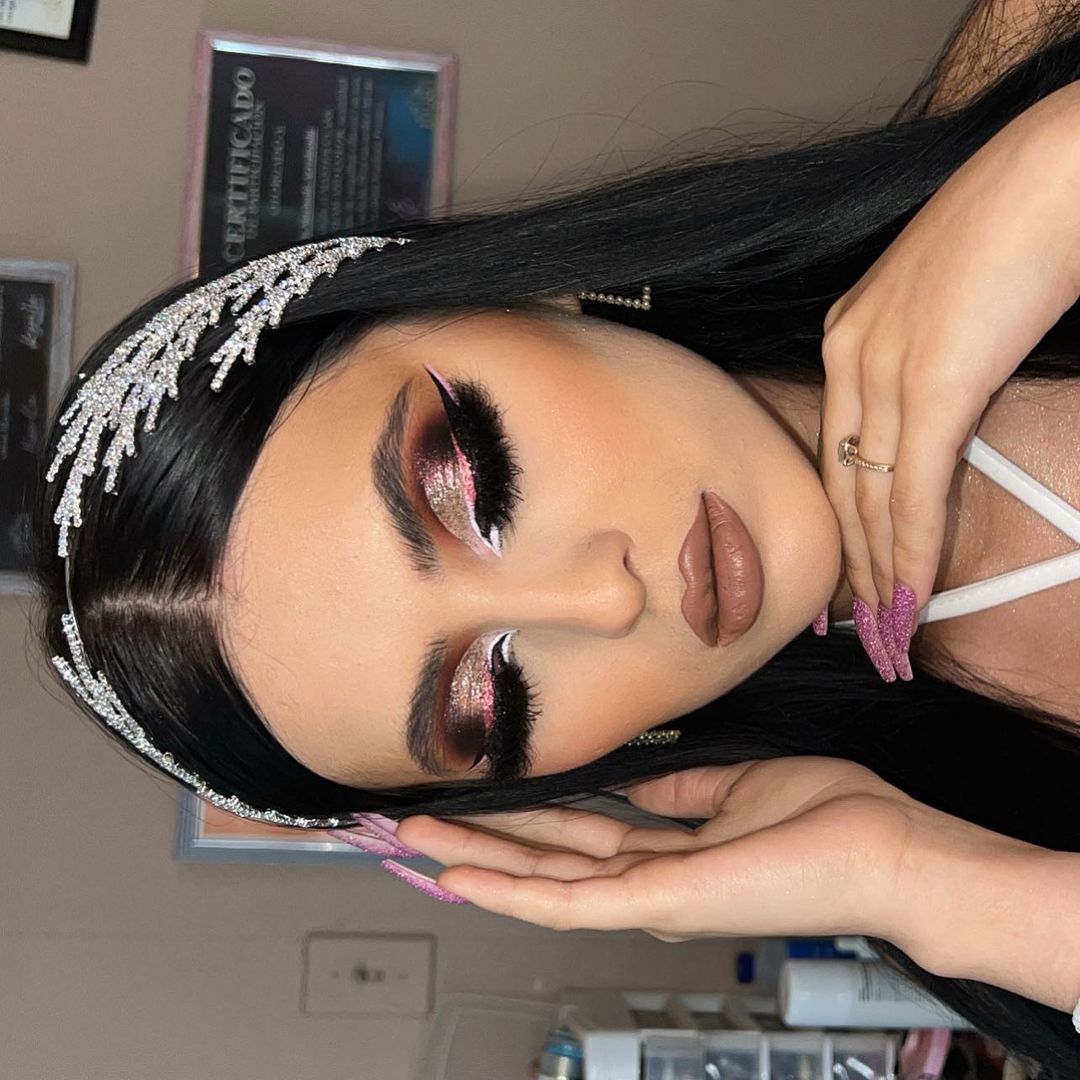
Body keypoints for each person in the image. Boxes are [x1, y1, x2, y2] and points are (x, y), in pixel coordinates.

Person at [27, 1, 1080, 1074]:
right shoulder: (985, 861)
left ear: (521, 294)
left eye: (472, 481)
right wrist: (929, 888)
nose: (604, 602)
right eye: (489, 703)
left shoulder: (1036, 55)